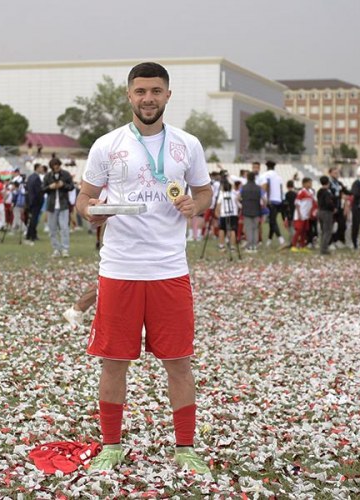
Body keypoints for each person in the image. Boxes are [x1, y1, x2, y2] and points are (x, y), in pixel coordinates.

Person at [76, 62, 212, 474]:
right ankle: (111, 445)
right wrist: (92, 212)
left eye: (155, 91)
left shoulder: (188, 144)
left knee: (179, 361)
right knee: (113, 361)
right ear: (129, 95)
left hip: (169, 269)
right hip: (120, 268)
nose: (148, 99)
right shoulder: (107, 144)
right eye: (140, 91)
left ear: (168, 95)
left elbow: (204, 192)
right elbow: (84, 198)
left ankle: (185, 447)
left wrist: (194, 205)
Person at [43, 157, 74, 257]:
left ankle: (65, 249)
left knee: (64, 228)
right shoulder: (48, 176)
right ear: (51, 167)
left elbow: (72, 186)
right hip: (51, 206)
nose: (56, 168)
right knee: (52, 229)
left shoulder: (66, 174)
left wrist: (63, 185)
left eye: (58, 166)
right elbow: (42, 189)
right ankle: (56, 249)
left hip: (63, 205)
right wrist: (50, 187)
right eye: (54, 166)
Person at [259, 160, 285, 246]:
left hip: (271, 200)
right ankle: (269, 240)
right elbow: (281, 188)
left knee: (272, 221)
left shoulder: (266, 175)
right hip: (278, 200)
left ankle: (281, 239)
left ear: (267, 167)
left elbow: (267, 186)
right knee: (272, 220)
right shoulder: (279, 176)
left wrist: (267, 199)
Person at [239, 171, 262, 253]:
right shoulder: (259, 188)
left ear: (247, 178)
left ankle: (249, 246)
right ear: (254, 178)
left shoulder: (243, 188)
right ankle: (254, 246)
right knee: (255, 228)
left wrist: (242, 204)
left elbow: (238, 197)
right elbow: (264, 199)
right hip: (257, 210)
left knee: (248, 228)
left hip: (246, 210)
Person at [216, 177, 240, 253]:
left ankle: (221, 246)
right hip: (233, 214)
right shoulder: (233, 195)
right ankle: (232, 247)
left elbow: (218, 206)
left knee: (222, 229)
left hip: (224, 214)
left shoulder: (221, 195)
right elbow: (238, 204)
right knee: (233, 230)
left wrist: (217, 213)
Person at [328, 167, 350, 249]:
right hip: (331, 208)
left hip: (339, 207)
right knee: (331, 226)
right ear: (330, 173)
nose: (337, 174)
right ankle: (330, 242)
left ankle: (338, 240)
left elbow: (346, 191)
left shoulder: (339, 183)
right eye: (335, 173)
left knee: (342, 225)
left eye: (337, 173)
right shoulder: (329, 184)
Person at [291, 177, 314, 252]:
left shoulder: (311, 192)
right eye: (309, 183)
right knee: (299, 230)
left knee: (304, 230)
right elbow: (297, 203)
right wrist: (299, 213)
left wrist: (310, 213)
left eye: (311, 183)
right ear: (304, 184)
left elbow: (311, 203)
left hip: (306, 215)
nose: (310, 184)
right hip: (300, 214)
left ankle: (302, 246)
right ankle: (294, 245)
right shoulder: (301, 192)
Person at [24, 163, 44, 244]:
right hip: (36, 201)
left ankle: (31, 234)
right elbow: (38, 191)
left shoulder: (30, 177)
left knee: (32, 218)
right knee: (34, 219)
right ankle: (31, 235)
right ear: (37, 168)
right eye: (41, 168)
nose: (42, 169)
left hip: (30, 201)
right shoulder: (36, 178)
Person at [316, 176, 335, 255]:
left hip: (320, 211)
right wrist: (333, 207)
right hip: (327, 212)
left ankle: (322, 247)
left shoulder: (319, 191)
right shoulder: (327, 192)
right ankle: (324, 248)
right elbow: (328, 202)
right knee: (327, 231)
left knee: (323, 231)